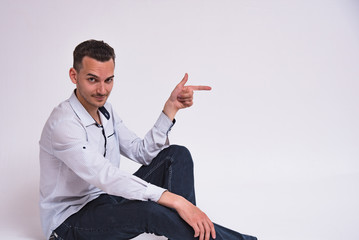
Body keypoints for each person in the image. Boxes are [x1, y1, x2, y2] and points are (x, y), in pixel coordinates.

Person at [39, 39, 257, 240]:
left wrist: (170, 108)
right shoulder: (63, 125)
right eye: (92, 80)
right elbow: (105, 175)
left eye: (109, 80)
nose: (102, 90)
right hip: (70, 224)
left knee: (176, 155)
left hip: (106, 200)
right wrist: (175, 200)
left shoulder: (106, 111)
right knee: (150, 211)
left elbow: (140, 152)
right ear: (73, 76)